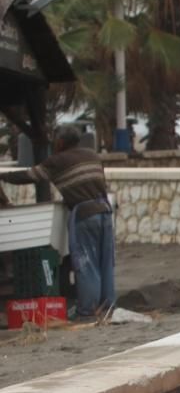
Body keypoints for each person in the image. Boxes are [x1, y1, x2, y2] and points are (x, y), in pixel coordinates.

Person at [0, 125, 115, 320]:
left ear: (60, 142)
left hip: (85, 214)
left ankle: (87, 310)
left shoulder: (58, 161)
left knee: (86, 264)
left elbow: (29, 176)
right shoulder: (92, 155)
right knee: (106, 263)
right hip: (104, 211)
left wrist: (2, 175)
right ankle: (108, 307)